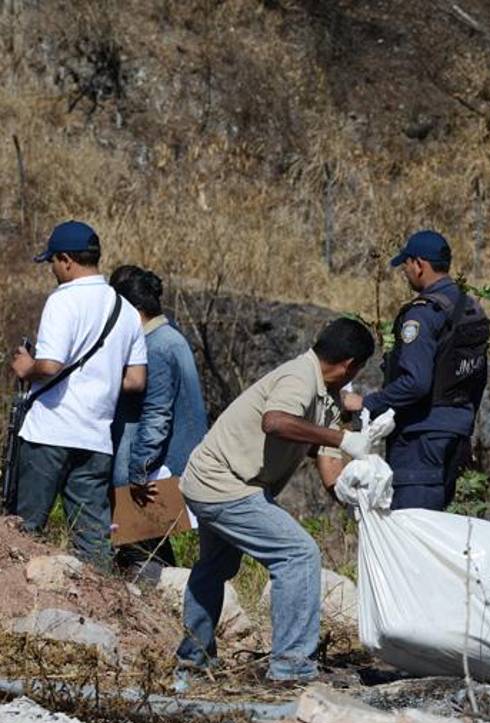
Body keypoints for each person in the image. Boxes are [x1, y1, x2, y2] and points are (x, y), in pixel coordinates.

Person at [176, 317, 375, 684]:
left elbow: (328, 464)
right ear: (351, 366)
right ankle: (291, 669)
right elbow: (275, 422)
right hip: (224, 482)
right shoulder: (299, 377)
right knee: (298, 554)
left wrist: (355, 498)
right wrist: (343, 440)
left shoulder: (324, 394)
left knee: (214, 568)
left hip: (220, 480)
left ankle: (192, 664)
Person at [8, 221, 147, 569]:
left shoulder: (62, 301)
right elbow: (136, 380)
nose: (52, 270)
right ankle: (97, 605)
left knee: (23, 529)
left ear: (67, 260)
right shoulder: (126, 311)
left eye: (52, 262)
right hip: (96, 436)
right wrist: (98, 379)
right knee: (91, 537)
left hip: (49, 432)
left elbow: (51, 366)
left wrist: (27, 366)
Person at [342, 230, 489, 510]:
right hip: (456, 433)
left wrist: (367, 402)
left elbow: (416, 382)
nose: (405, 272)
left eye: (406, 265)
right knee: (435, 526)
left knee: (412, 528)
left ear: (419, 264)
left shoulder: (422, 314)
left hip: (421, 437)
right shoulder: (470, 308)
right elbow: (477, 376)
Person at [109, 265, 208, 571]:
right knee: (146, 547)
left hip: (159, 468)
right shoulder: (171, 337)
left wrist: (139, 469)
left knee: (139, 550)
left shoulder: (157, 347)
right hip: (169, 462)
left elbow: (156, 414)